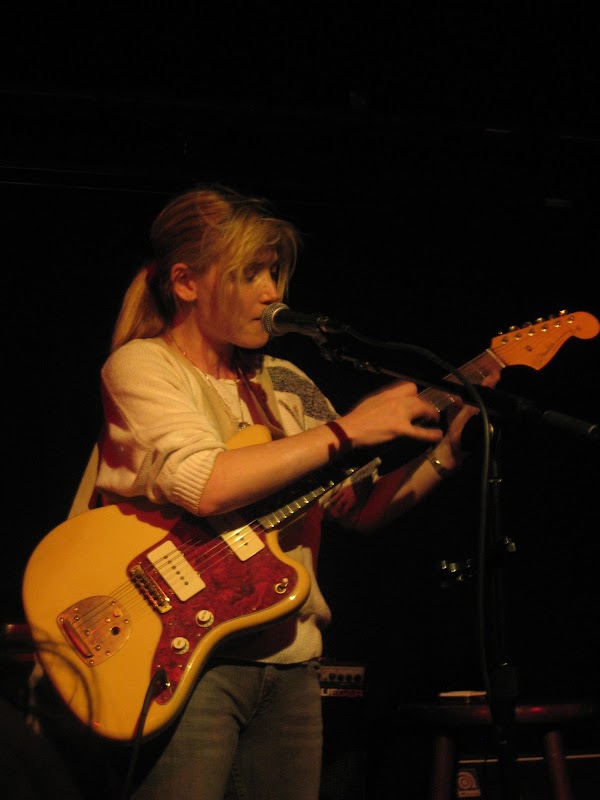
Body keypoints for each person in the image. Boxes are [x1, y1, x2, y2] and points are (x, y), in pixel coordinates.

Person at [35, 183, 501, 800]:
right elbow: (206, 484)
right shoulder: (143, 366)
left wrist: (446, 453)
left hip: (291, 661)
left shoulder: (286, 383)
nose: (271, 292)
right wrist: (347, 429)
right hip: (183, 660)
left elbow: (358, 507)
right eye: (250, 273)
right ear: (186, 283)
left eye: (275, 272)